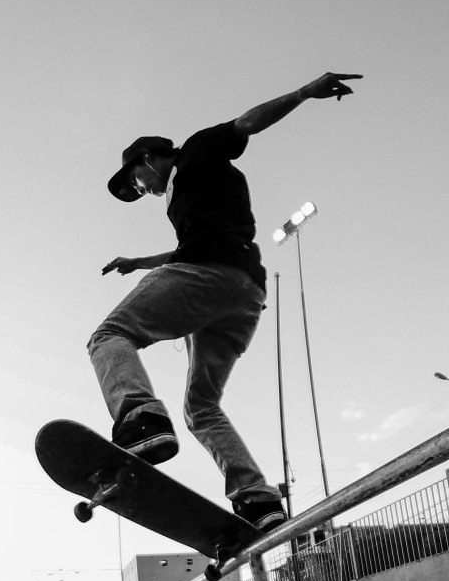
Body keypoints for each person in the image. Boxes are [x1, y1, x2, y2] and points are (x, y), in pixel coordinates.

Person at [89, 71, 362, 535]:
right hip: (243, 295)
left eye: (137, 179)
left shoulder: (194, 151)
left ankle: (140, 416)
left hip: (208, 278)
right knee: (202, 407)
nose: (142, 189)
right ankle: (257, 498)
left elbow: (245, 125)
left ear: (149, 157)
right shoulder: (189, 198)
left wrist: (303, 93)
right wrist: (139, 262)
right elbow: (189, 247)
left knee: (109, 336)